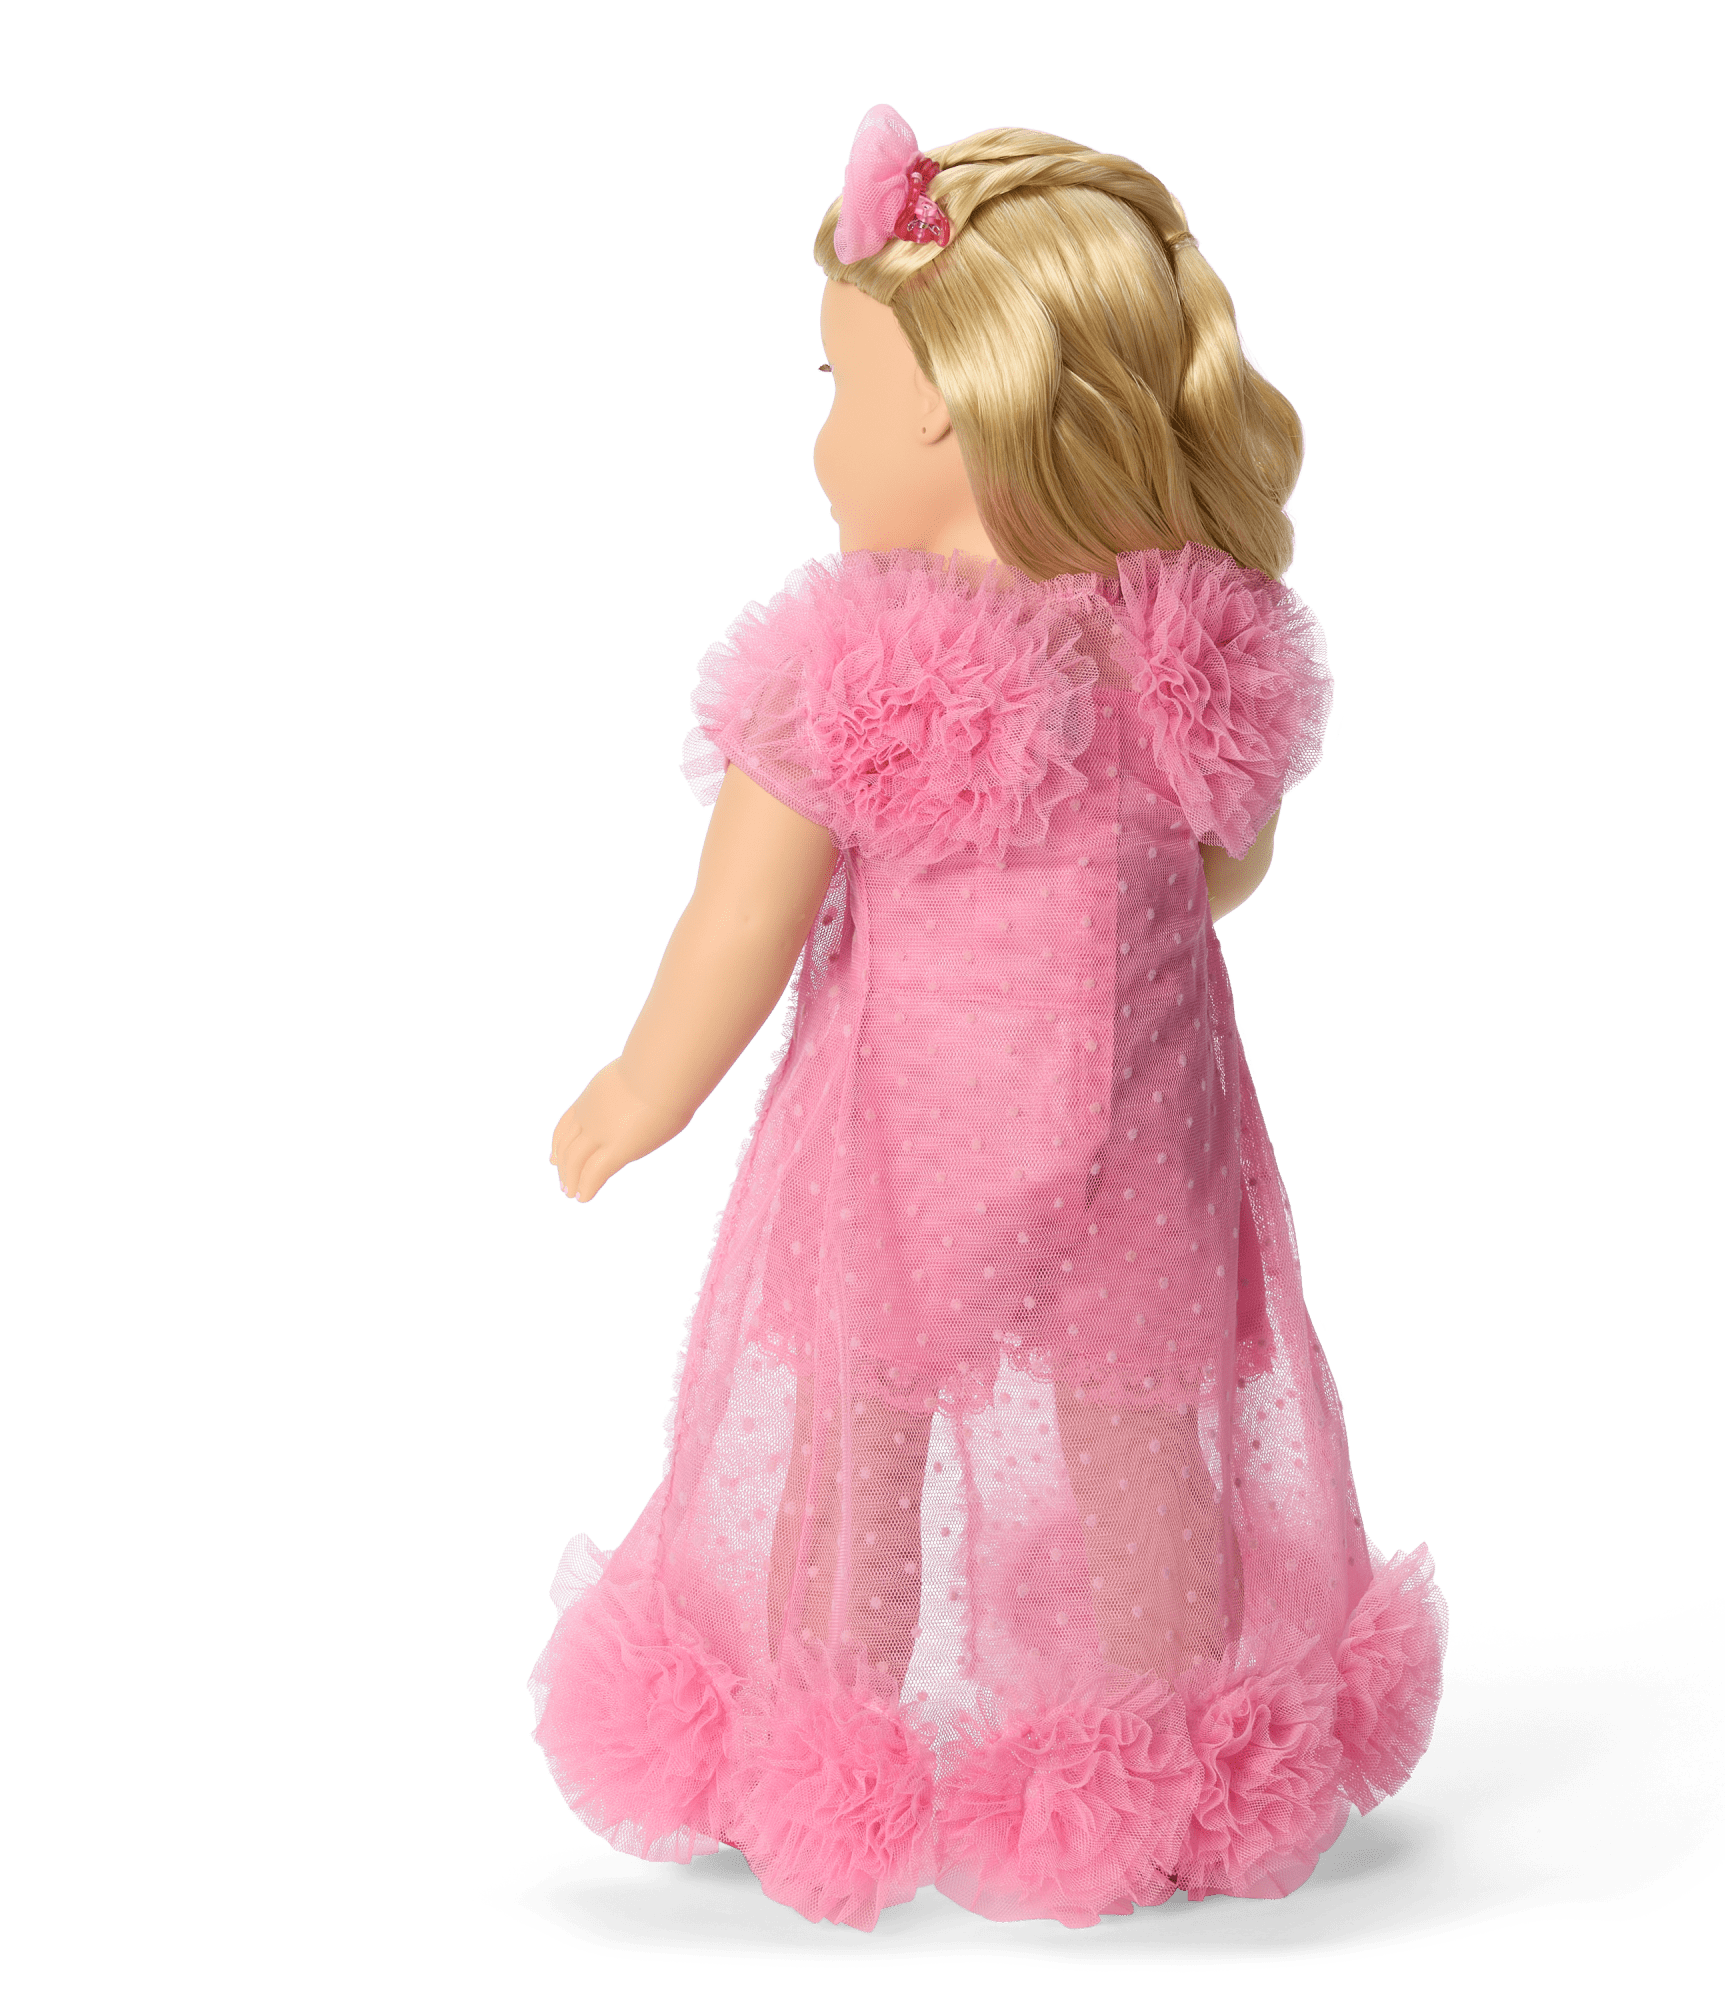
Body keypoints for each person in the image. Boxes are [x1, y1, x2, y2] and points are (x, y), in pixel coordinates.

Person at [531, 103, 1447, 1933]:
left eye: (840, 393)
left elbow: (739, 925)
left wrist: (644, 1082)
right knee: (1142, 1439)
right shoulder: (1181, 645)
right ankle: (1158, 1766)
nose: (822, 440)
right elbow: (1220, 873)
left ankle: (855, 1752)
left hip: (901, 1156)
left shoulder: (846, 667)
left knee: (865, 1443)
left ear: (947, 415)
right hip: (1141, 1145)